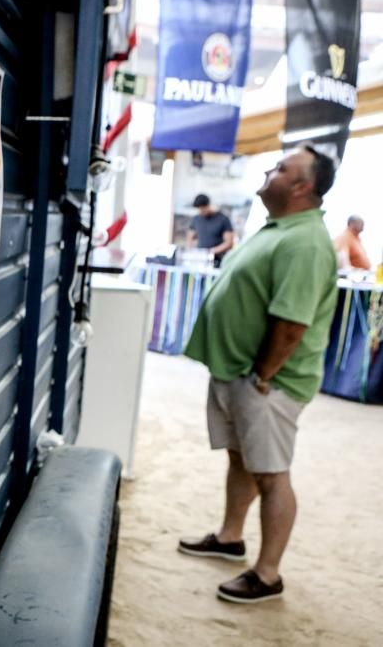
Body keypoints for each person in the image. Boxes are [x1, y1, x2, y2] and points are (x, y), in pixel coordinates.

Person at [177, 145, 338, 604]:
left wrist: (263, 376)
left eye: (281, 168)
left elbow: (292, 325)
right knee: (241, 458)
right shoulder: (278, 229)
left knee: (271, 474)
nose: (270, 170)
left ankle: (268, 575)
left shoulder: (306, 241)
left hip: (268, 382)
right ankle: (230, 537)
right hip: (240, 372)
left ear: (302, 186)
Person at [187, 194, 235, 265]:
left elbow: (229, 243)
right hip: (200, 260)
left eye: (203, 208)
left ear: (208, 205)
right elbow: (190, 238)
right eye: (199, 209)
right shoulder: (196, 219)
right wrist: (193, 252)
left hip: (218, 260)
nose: (201, 211)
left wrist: (210, 252)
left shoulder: (223, 219)